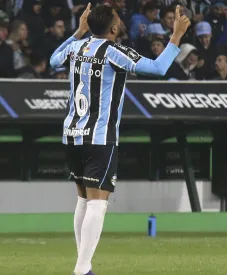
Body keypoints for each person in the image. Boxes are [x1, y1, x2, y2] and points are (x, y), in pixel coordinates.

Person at [50, 4, 191, 275]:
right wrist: (175, 38)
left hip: (72, 134)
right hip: (100, 137)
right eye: (118, 19)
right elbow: (158, 68)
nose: (121, 22)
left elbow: (54, 60)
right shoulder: (115, 52)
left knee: (83, 199)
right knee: (98, 203)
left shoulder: (76, 47)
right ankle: (81, 270)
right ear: (113, 28)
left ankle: (83, 266)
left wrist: (78, 32)